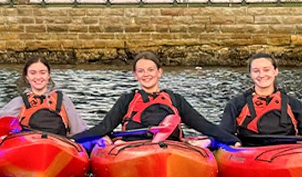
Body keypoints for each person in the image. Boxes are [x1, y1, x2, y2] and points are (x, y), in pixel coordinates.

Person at [73, 51, 235, 145]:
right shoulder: (127, 99)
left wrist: (234, 141)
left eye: (150, 70)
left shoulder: (175, 100)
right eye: (141, 71)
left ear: (159, 72)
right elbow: (104, 127)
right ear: (135, 75)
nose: (146, 75)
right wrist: (72, 141)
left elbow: (203, 125)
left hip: (169, 148)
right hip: (133, 148)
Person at [220, 52, 302, 145]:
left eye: (266, 70)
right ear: (251, 74)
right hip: (250, 151)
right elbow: (224, 133)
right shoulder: (237, 104)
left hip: (287, 153)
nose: (261, 75)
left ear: (275, 71)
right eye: (256, 71)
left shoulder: (293, 104)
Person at [0, 56, 89, 137]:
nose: (38, 77)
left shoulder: (63, 100)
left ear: (48, 75)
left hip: (60, 146)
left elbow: (79, 130)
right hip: (28, 146)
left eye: (42, 73)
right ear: (27, 76)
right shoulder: (19, 102)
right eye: (33, 73)